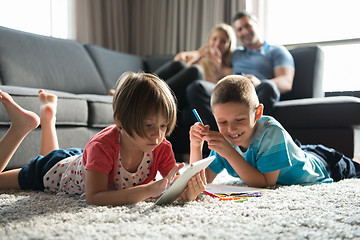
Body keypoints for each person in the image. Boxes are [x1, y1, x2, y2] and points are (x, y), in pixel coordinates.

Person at [0, 72, 207, 206]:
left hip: (85, 162)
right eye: (149, 125)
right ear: (120, 120)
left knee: (61, 156)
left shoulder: (161, 147)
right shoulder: (103, 146)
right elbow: (95, 197)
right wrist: (147, 190)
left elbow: (171, 186)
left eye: (163, 126)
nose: (157, 135)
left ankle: (48, 118)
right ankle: (20, 126)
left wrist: (186, 193)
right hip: (54, 168)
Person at [189, 75, 360, 187]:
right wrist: (195, 146)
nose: (230, 129)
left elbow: (265, 183)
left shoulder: (271, 131)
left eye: (239, 119)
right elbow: (202, 181)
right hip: (292, 152)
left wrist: (229, 153)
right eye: (222, 121)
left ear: (258, 113)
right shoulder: (224, 140)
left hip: (324, 164)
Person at [186, 11, 295, 138]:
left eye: (247, 26)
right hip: (232, 88)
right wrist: (191, 55)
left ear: (257, 25)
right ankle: (215, 141)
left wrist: (258, 82)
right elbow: (211, 52)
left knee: (268, 87)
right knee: (196, 87)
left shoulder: (276, 51)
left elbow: (286, 82)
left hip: (257, 89)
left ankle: (256, 140)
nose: (244, 31)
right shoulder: (236, 53)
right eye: (239, 29)